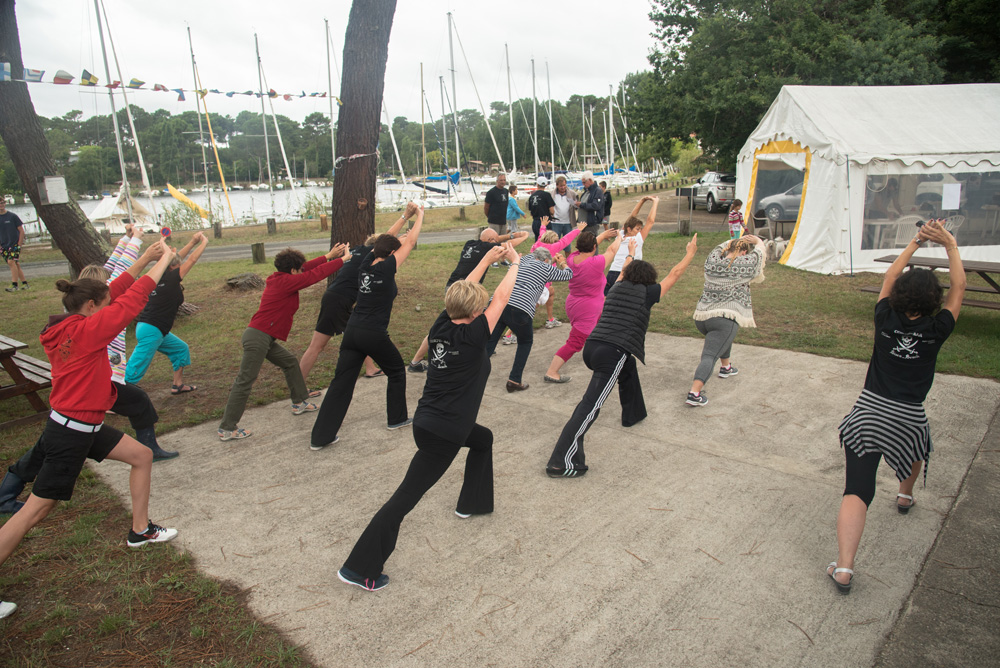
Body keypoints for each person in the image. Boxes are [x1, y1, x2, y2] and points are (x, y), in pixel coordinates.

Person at [0, 238, 179, 619]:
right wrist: (161, 262)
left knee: (141, 455)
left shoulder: (67, 322)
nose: (109, 305)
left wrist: (144, 257)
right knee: (34, 512)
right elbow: (132, 300)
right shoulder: (88, 332)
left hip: (79, 422)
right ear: (93, 308)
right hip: (73, 432)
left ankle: (140, 530)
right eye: (103, 305)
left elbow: (113, 293)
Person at [336, 243, 521, 591]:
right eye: (480, 306)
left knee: (483, 440)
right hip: (445, 434)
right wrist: (516, 262)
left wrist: (486, 259)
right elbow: (500, 297)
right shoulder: (474, 336)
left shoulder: (442, 325)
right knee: (404, 499)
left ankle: (473, 503)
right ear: (476, 310)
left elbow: (468, 289)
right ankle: (358, 568)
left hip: (430, 422)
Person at [828, 220, 964, 594]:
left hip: (868, 413)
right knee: (918, 442)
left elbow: (889, 276)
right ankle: (905, 493)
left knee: (857, 490)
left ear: (899, 295)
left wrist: (915, 242)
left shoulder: (884, 316)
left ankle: (844, 568)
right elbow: (960, 287)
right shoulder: (939, 328)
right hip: (908, 416)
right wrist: (950, 245)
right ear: (934, 301)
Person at [546, 234, 699, 477]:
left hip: (593, 346)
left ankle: (633, 414)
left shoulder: (616, 286)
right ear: (649, 280)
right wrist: (690, 253)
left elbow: (624, 269)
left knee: (628, 365)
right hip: (611, 352)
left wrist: (629, 251)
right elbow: (675, 274)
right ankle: (561, 461)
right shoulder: (648, 293)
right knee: (591, 405)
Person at [310, 208, 425, 449]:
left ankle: (321, 436)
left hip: (352, 332)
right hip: (373, 333)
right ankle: (397, 418)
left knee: (341, 382)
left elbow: (380, 243)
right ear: (392, 253)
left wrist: (404, 221)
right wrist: (420, 215)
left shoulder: (364, 264)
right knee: (396, 370)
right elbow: (411, 242)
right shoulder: (386, 269)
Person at [218, 242, 349, 441]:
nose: (301, 271)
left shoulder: (279, 277)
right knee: (244, 381)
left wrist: (328, 256)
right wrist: (342, 260)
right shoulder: (286, 282)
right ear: (292, 270)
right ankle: (227, 427)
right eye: (298, 269)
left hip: (263, 336)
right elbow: (313, 275)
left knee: (289, 362)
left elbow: (305, 269)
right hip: (258, 337)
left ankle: (299, 402)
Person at [300, 204, 422, 388]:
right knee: (316, 346)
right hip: (339, 300)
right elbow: (389, 236)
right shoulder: (371, 254)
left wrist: (405, 217)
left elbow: (387, 237)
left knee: (358, 331)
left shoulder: (361, 251)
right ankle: (298, 392)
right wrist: (406, 217)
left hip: (339, 298)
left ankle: (370, 368)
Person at [407, 227, 530, 372]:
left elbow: (493, 238)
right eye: (495, 241)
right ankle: (416, 361)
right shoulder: (488, 247)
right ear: (491, 242)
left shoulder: (470, 243)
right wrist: (524, 236)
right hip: (464, 290)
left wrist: (511, 234)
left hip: (453, 287)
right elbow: (508, 246)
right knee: (469, 322)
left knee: (444, 325)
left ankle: (417, 361)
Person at [685, 235, 766, 407]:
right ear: (744, 252)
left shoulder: (713, 261)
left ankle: (726, 367)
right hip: (724, 319)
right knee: (709, 355)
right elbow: (759, 255)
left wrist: (734, 240)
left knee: (721, 340)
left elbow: (716, 248)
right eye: (745, 252)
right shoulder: (743, 264)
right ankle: (694, 393)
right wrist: (758, 241)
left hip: (702, 318)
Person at [125, 231, 209, 393]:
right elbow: (191, 259)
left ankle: (177, 385)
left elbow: (179, 258)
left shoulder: (159, 275)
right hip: (152, 330)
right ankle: (115, 398)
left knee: (180, 349)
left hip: (153, 328)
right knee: (136, 367)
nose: (181, 265)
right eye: (177, 264)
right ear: (172, 266)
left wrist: (192, 242)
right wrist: (204, 242)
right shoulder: (171, 279)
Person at [485, 243, 573, 392]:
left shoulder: (523, 261)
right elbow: (568, 275)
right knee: (525, 341)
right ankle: (514, 379)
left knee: (491, 339)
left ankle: (472, 373)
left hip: (500, 302)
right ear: (546, 260)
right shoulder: (545, 267)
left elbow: (517, 264)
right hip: (520, 308)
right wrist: (562, 262)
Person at [543, 228, 621, 383]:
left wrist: (603, 235)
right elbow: (612, 249)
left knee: (601, 323)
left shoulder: (572, 258)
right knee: (575, 342)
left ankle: (605, 350)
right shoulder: (596, 262)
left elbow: (589, 248)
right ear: (594, 248)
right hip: (587, 309)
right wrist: (620, 236)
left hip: (574, 304)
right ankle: (552, 371)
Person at [531, 217, 582, 330]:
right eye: (556, 241)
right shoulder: (553, 247)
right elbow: (566, 240)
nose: (558, 242)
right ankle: (509, 333)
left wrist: (543, 225)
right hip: (542, 282)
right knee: (531, 307)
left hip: (533, 278)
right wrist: (578, 230)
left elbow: (541, 234)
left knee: (551, 292)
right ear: (552, 241)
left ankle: (550, 319)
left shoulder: (538, 243)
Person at [605, 195, 659, 295]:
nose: (640, 231)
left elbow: (632, 216)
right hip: (627, 274)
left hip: (612, 272)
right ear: (629, 229)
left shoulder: (620, 235)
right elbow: (650, 221)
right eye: (637, 229)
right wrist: (655, 202)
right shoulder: (637, 238)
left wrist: (642, 201)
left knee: (607, 300)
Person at [0, 198, 28, 292]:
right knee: (15, 264)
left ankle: (14, 285)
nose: (1, 205)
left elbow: (21, 230)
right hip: (3, 245)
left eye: (2, 203)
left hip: (14, 245)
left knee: (11, 262)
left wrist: (19, 244)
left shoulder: (12, 216)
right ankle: (25, 284)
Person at [574, 171, 605, 238]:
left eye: (584, 182)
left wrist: (582, 205)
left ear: (590, 180)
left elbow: (595, 205)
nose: (583, 184)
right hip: (584, 223)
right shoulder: (587, 191)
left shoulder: (597, 191)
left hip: (591, 223)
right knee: (585, 243)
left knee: (591, 242)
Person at [527, 176, 556, 241]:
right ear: (545, 185)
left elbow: (531, 211)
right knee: (547, 241)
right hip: (545, 221)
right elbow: (552, 211)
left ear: (537, 184)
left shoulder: (532, 196)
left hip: (535, 221)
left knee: (537, 241)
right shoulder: (547, 195)